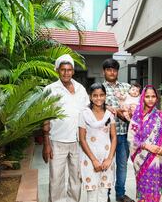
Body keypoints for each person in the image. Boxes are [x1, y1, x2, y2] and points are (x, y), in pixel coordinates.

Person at [42, 54, 90, 202]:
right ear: (57, 70)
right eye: (63, 70)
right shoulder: (50, 89)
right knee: (56, 178)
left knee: (76, 178)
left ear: (73, 71)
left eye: (69, 70)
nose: (66, 73)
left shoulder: (81, 89)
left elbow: (87, 113)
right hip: (57, 140)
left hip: (78, 142)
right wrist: (46, 144)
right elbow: (45, 118)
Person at [127, 85, 162, 202]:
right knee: (144, 188)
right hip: (142, 159)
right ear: (142, 98)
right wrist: (147, 146)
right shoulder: (137, 117)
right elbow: (132, 138)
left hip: (159, 157)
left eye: (153, 96)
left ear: (157, 98)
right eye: (147, 96)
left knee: (157, 186)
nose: (150, 99)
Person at [101, 58, 134, 202]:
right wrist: (109, 108)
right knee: (107, 165)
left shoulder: (127, 87)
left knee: (122, 166)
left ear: (117, 71)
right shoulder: (100, 89)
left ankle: (120, 195)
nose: (112, 72)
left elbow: (134, 106)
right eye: (109, 69)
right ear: (104, 71)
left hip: (125, 134)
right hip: (106, 135)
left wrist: (116, 110)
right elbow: (96, 106)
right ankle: (105, 195)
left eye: (114, 69)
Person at [79, 83, 117, 202]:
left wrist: (109, 158)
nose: (98, 98)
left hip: (107, 157)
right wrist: (94, 160)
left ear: (105, 96)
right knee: (92, 193)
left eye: (101, 95)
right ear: (90, 97)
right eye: (95, 95)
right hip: (90, 158)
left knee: (103, 192)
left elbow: (114, 137)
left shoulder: (109, 114)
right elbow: (82, 139)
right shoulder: (84, 114)